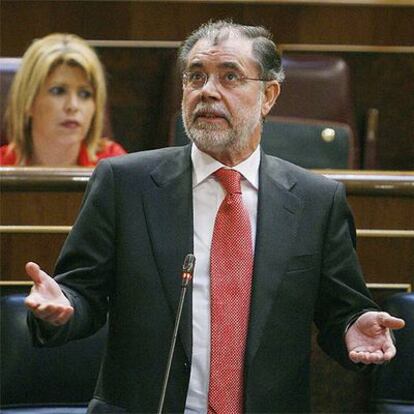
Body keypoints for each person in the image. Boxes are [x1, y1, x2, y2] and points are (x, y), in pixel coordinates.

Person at [24, 21, 405, 413]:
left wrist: (352, 327)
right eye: (196, 76)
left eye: (229, 76)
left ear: (268, 95)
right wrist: (60, 308)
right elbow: (81, 294)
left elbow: (340, 310)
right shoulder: (126, 183)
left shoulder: (316, 200)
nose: (207, 91)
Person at [0, 33, 126, 167]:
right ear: (28, 102)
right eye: (58, 91)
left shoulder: (113, 165)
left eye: (85, 94)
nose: (73, 106)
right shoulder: (3, 166)